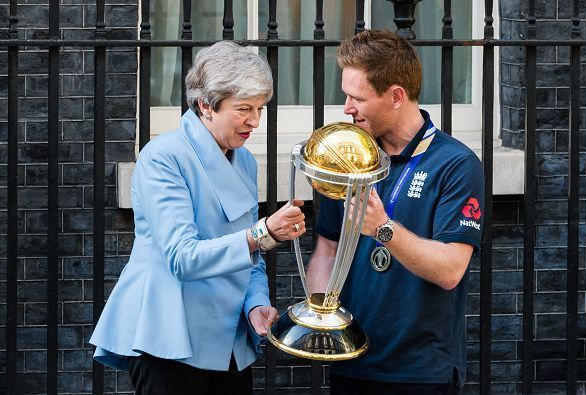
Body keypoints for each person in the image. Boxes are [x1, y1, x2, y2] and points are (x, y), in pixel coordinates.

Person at [90, 41, 306, 394]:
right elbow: (183, 257)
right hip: (170, 337)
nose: (254, 120)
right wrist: (263, 231)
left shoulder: (245, 161)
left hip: (229, 341)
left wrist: (256, 303)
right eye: (243, 109)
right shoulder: (164, 157)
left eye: (260, 108)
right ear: (205, 105)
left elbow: (250, 256)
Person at [306, 29, 484, 394]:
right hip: (351, 364)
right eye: (346, 95)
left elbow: (451, 269)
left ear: (397, 96)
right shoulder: (347, 157)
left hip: (419, 373)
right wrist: (322, 320)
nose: (346, 108)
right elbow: (327, 249)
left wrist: (383, 228)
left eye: (358, 97)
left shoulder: (456, 164)